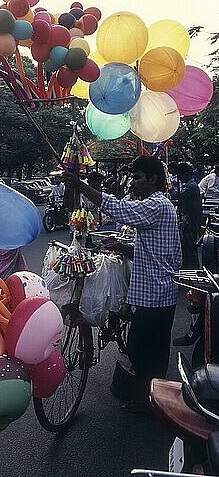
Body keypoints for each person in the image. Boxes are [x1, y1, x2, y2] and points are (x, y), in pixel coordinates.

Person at [62, 155, 182, 413]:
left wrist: (80, 185)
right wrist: (120, 246)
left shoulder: (156, 206)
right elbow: (151, 251)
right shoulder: (161, 205)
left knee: (142, 350)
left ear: (152, 179)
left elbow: (119, 209)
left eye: (138, 178)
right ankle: (153, 400)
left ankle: (147, 403)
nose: (133, 183)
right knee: (154, 350)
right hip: (160, 291)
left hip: (155, 294)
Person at [175, 163, 202, 269]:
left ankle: (193, 268)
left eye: (180, 175)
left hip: (191, 221)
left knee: (190, 246)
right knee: (187, 246)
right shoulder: (189, 185)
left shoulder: (191, 186)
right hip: (190, 219)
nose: (180, 178)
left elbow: (177, 196)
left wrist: (170, 186)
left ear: (186, 174)